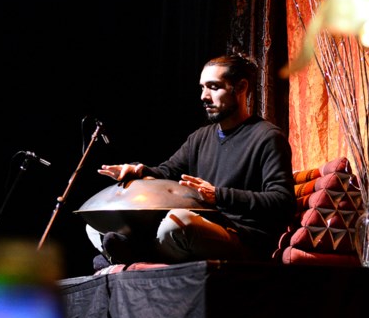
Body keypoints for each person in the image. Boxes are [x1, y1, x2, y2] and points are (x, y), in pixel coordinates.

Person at [87, 51, 296, 267]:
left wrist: (218, 196)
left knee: (176, 225)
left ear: (241, 88)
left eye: (213, 87)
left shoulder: (267, 137)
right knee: (95, 224)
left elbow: (282, 202)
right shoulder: (200, 138)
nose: (204, 96)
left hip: (242, 237)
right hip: (203, 230)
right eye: (202, 87)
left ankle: (131, 257)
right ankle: (135, 255)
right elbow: (166, 172)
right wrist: (137, 170)